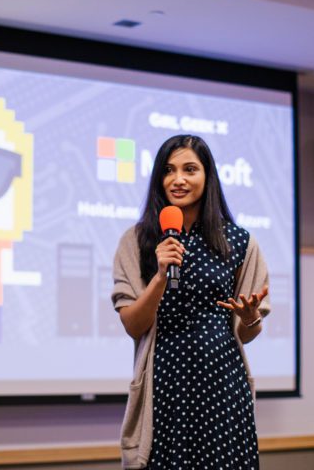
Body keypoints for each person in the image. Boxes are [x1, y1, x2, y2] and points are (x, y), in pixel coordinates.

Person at [112, 134, 270, 469]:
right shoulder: (137, 240)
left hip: (223, 383)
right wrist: (159, 276)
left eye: (190, 169)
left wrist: (251, 318)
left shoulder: (239, 242)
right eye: (169, 170)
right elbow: (133, 325)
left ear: (208, 176)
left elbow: (245, 333)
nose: (178, 179)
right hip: (166, 387)